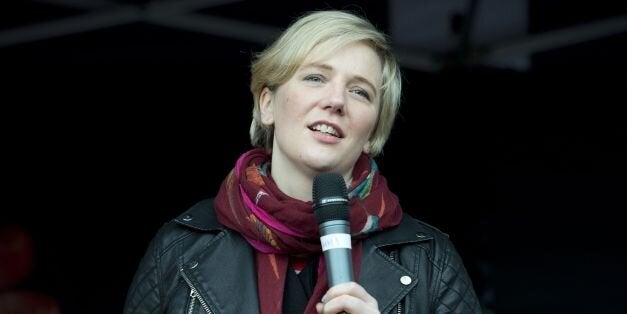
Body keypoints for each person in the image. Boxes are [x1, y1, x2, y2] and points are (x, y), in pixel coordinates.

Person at [124, 10, 482, 314]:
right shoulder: (180, 248)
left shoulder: (428, 259)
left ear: (374, 132)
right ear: (267, 104)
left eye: (360, 91)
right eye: (315, 78)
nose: (336, 100)